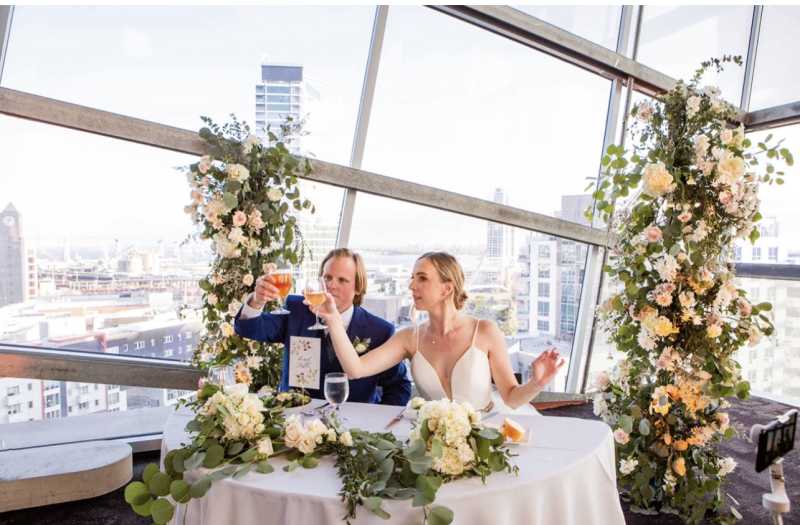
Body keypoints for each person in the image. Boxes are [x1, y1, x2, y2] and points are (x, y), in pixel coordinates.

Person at [308, 251, 565, 412]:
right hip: (434, 445)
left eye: (422, 278)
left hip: (488, 435)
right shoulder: (409, 338)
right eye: (412, 278)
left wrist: (537, 383)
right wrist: (332, 319)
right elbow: (355, 369)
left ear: (446, 288)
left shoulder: (486, 332)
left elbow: (511, 398)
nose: (412, 285)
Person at [235, 248, 412, 406]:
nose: (331, 285)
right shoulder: (297, 309)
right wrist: (257, 300)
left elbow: (399, 386)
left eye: (342, 280)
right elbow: (248, 328)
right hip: (297, 418)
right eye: (327, 277)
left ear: (358, 288)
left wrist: (378, 422)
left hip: (353, 424)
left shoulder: (380, 330)